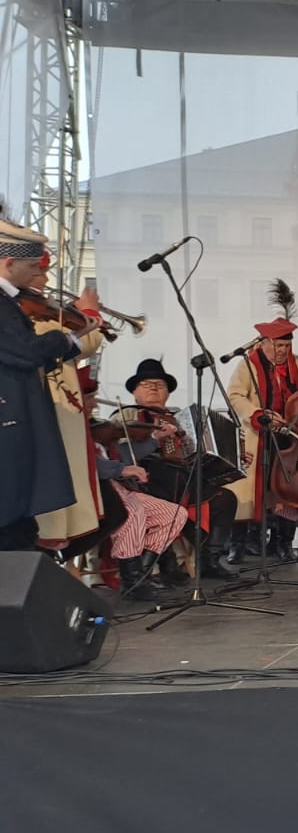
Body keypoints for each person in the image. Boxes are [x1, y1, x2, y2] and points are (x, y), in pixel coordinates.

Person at [224, 280, 298, 559]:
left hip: (289, 436)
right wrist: (257, 414)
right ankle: (241, 544)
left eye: (286, 345)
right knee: (251, 489)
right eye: (277, 345)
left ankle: (283, 542)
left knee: (291, 487)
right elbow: (235, 395)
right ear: (264, 343)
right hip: (259, 434)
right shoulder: (249, 364)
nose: (282, 351)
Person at [0, 219, 91, 551]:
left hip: (14, 417)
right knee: (12, 523)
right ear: (10, 262)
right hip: (9, 421)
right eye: (31, 267)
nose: (36, 275)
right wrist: (64, 338)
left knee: (19, 523)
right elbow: (23, 352)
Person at [111, 359, 241, 581]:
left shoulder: (180, 419)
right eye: (146, 384)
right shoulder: (125, 416)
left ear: (168, 393)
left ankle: (209, 560)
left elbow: (196, 453)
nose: (154, 389)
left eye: (160, 385)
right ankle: (164, 562)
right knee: (166, 490)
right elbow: (120, 453)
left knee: (225, 498)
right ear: (134, 392)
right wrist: (153, 439)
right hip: (146, 480)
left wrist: (233, 458)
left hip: (183, 479)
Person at [25, 254, 109, 558]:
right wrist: (88, 313)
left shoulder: (38, 312)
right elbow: (78, 344)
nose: (46, 280)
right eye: (39, 273)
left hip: (62, 409)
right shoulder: (23, 313)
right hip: (50, 411)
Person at [92, 440, 189, 601]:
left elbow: (131, 451)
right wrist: (121, 469)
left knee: (175, 514)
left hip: (122, 490)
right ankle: (132, 582)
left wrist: (153, 439)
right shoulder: (85, 444)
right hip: (100, 494)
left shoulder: (111, 446)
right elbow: (93, 465)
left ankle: (143, 574)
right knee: (131, 513)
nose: (114, 430)